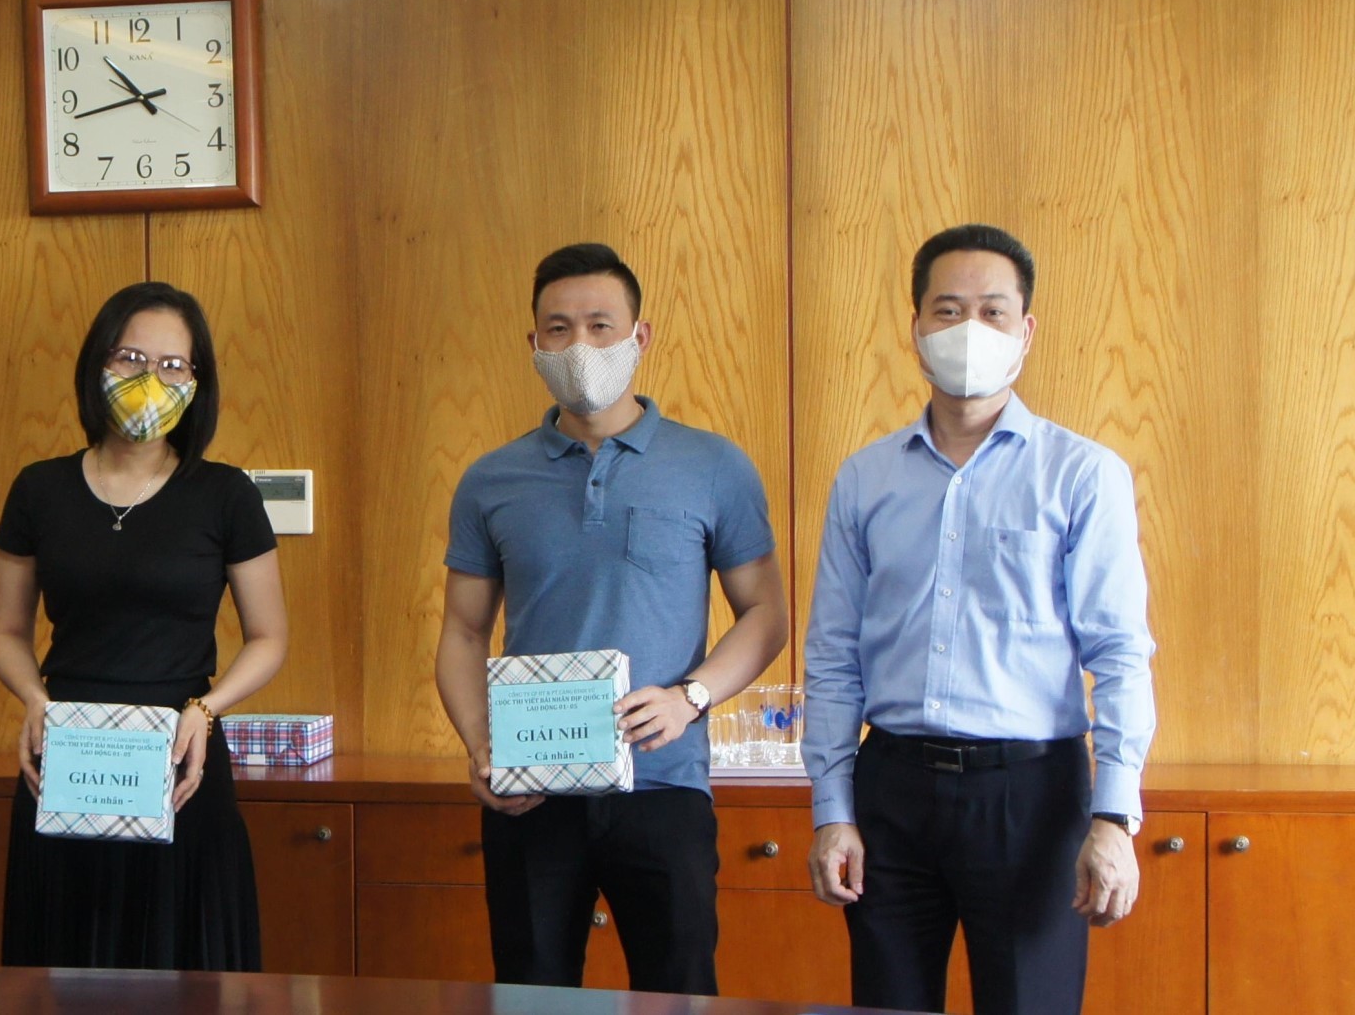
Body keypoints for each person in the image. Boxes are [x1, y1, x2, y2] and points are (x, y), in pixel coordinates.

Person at [802, 224, 1157, 1015]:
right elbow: (832, 655)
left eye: (993, 311)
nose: (970, 329)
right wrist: (832, 811)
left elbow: (1120, 654)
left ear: (1025, 330)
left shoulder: (1082, 474)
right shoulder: (864, 479)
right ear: (916, 327)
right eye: (948, 309)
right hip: (892, 791)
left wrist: (1113, 818)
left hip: (1029, 796)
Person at [434, 243, 790, 994]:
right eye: (559, 329)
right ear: (534, 343)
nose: (581, 347)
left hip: (665, 786)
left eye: (601, 326)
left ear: (640, 336)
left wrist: (691, 697)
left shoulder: (714, 466)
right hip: (532, 788)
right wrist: (479, 746)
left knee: (679, 993)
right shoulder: (490, 479)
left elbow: (765, 614)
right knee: (532, 995)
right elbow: (462, 632)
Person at [0, 280, 290, 970]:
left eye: (172, 365)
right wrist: (34, 700)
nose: (149, 379)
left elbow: (269, 637)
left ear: (196, 382)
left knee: (184, 967)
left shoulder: (226, 494)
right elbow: (5, 633)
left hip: (182, 758)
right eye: (129, 358)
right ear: (97, 362)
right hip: (67, 753)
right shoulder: (38, 489)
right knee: (63, 966)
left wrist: (207, 710)